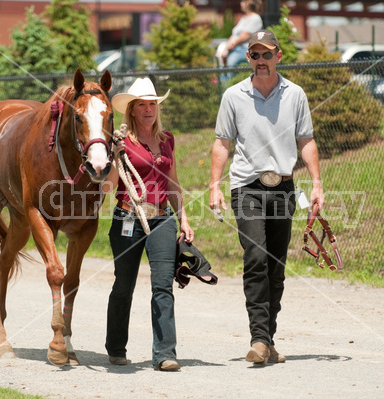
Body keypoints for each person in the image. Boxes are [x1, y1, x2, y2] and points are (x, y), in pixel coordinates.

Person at [209, 30, 325, 366]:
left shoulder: (296, 95)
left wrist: (316, 185)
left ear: (279, 55)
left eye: (267, 54)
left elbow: (307, 141)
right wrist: (215, 184)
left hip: (284, 188)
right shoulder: (233, 96)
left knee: (275, 267)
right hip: (247, 187)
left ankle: (268, 340)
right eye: (255, 55)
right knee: (256, 257)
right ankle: (259, 339)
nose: (261, 61)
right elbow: (222, 143)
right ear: (248, 58)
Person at [103, 77, 194, 371]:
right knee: (124, 285)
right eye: (141, 104)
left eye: (151, 104)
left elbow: (173, 182)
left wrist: (184, 219)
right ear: (131, 110)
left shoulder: (167, 140)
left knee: (163, 286)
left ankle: (165, 354)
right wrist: (113, 161)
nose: (147, 109)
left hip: (162, 218)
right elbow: (107, 190)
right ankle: (116, 348)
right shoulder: (122, 143)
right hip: (128, 216)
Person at [217, 0, 263, 68]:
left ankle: (229, 79)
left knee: (231, 62)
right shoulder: (244, 18)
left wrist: (231, 47)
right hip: (235, 48)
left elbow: (244, 36)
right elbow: (234, 33)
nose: (241, 4)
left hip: (245, 49)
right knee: (220, 63)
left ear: (247, 4)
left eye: (243, 2)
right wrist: (227, 47)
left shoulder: (255, 18)